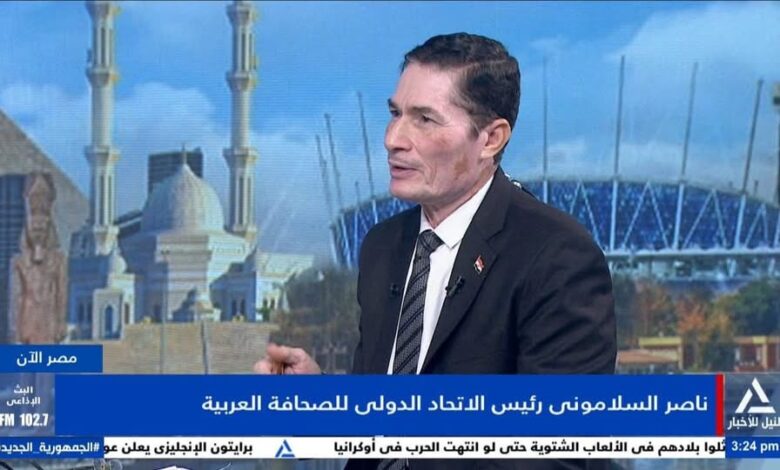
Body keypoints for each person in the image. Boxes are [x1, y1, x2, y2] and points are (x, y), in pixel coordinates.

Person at [256, 33, 616, 469]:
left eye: (425, 119)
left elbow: (553, 457)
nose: (393, 138)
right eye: (395, 113)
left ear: (491, 138)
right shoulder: (382, 246)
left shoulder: (557, 257)